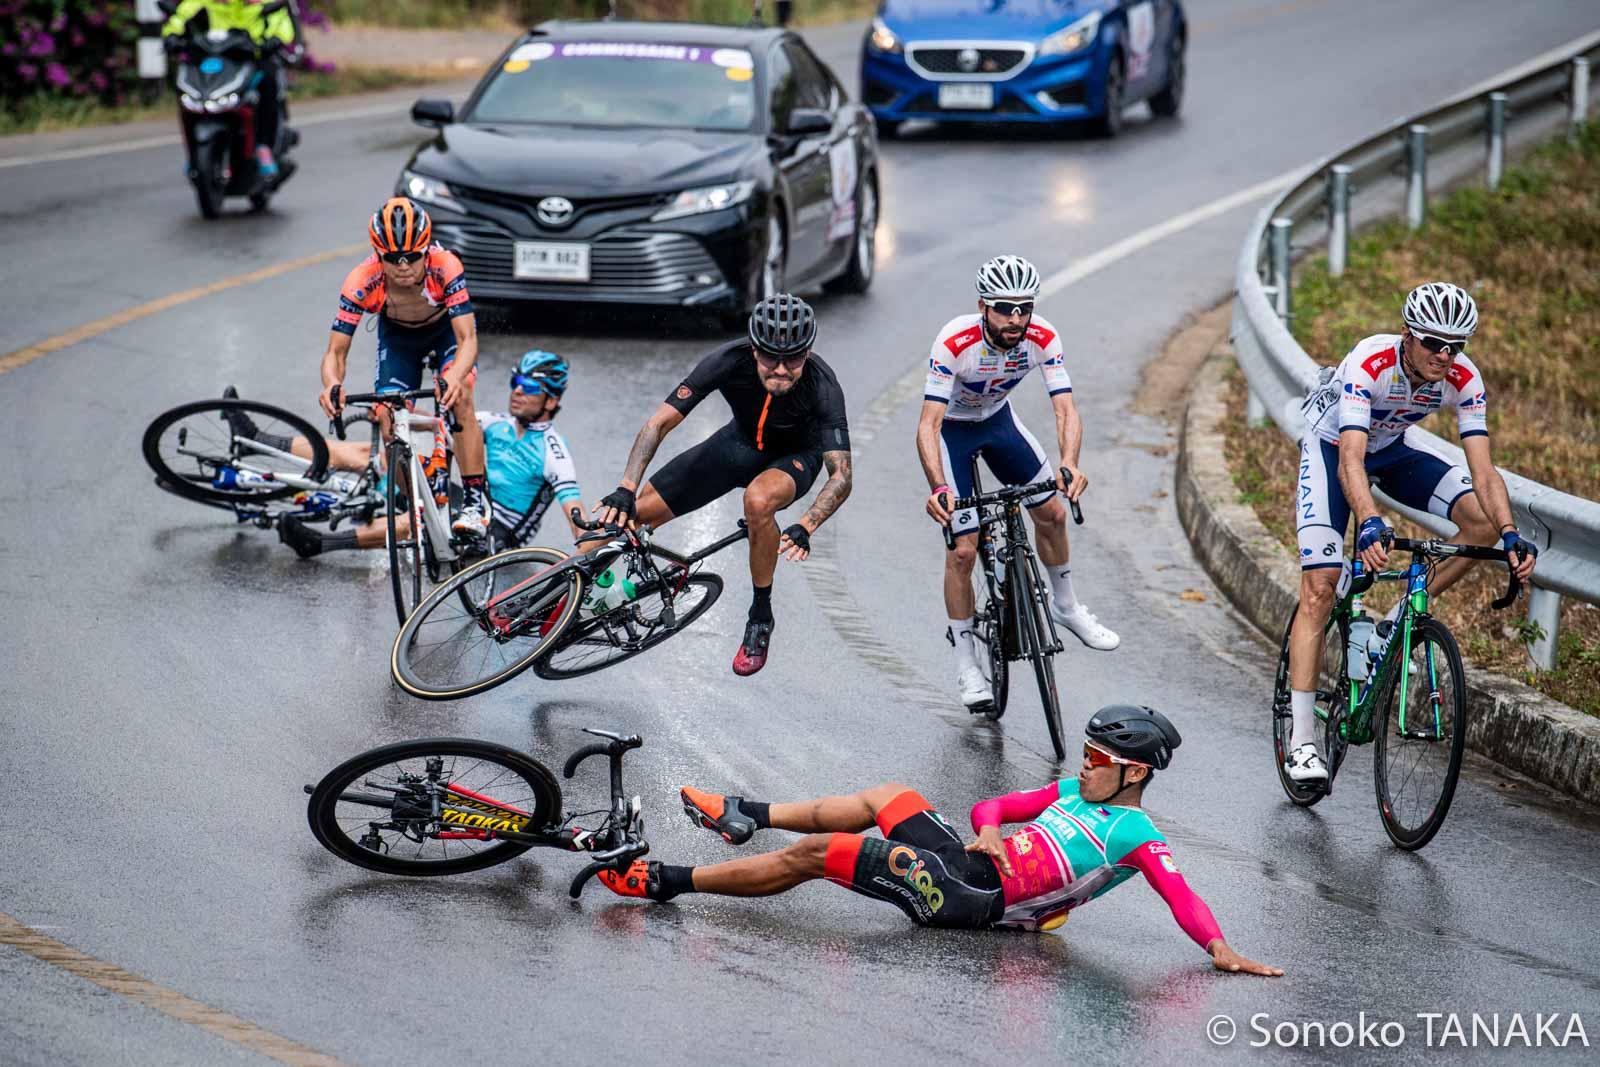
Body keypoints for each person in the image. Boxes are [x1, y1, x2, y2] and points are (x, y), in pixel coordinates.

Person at [598, 705, 1282, 977]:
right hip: (973, 861)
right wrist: (988, 829)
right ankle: (745, 811)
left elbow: (1179, 891)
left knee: (819, 857)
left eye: (1098, 758)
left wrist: (1219, 947)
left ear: (1134, 772)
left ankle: (662, 880)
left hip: (970, 896)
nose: (1083, 764)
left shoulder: (1135, 831)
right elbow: (995, 804)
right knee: (887, 797)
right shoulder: (1074, 792)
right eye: (1085, 750)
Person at [1284, 282, 1538, 783]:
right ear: (1407, 335)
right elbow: (1351, 460)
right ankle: (1301, 740)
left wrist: (1509, 532)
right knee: (1319, 586)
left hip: (1394, 449)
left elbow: (1484, 473)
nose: (1445, 355)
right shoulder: (1371, 362)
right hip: (1334, 447)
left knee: (1481, 522)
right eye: (1433, 343)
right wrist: (1370, 520)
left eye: (1456, 345)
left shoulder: (1464, 378)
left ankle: (1392, 626)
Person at [593, 293, 851, 676]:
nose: (781, 369)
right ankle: (551, 594)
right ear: (752, 349)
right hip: (736, 446)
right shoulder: (727, 360)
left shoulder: (823, 386)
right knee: (626, 517)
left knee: (759, 500)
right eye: (770, 358)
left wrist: (807, 524)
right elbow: (658, 423)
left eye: (793, 359)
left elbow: (841, 474)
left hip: (795, 457)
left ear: (808, 353)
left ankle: (760, 615)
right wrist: (626, 487)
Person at [919, 255, 1119, 714]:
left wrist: (1069, 463)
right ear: (983, 307)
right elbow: (928, 425)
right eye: (1005, 308)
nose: (1016, 319)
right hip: (952, 431)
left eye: (1024, 308)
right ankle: (966, 659)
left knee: (1051, 510)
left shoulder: (1042, 337)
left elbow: (1065, 409)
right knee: (964, 548)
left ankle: (1065, 606)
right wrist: (938, 487)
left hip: (997, 423)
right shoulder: (955, 342)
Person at [256, 352, 587, 557]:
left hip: (498, 532)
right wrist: (394, 418)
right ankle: (258, 439)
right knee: (373, 454)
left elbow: (576, 517)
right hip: (469, 501)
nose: (517, 391)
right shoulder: (496, 423)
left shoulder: (554, 451)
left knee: (417, 518)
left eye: (529, 388)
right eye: (516, 382)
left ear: (552, 401)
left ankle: (319, 544)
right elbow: (438, 424)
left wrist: (592, 549)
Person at [317, 197, 492, 540]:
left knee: (461, 397)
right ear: (378, 255)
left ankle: (474, 499)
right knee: (386, 416)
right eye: (392, 259)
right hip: (399, 339)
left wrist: (453, 376)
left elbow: (468, 338)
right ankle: (420, 502)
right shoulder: (360, 281)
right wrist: (332, 385)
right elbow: (335, 351)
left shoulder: (446, 266)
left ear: (425, 250)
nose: (402, 267)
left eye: (412, 257)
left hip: (445, 334)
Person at [161, 0, 297, 178]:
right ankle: (193, 151)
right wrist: (171, 36)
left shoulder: (260, 2)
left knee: (268, 81)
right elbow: (179, 18)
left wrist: (274, 39)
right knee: (188, 87)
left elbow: (281, 24)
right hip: (217, 59)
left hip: (251, 58)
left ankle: (263, 147)